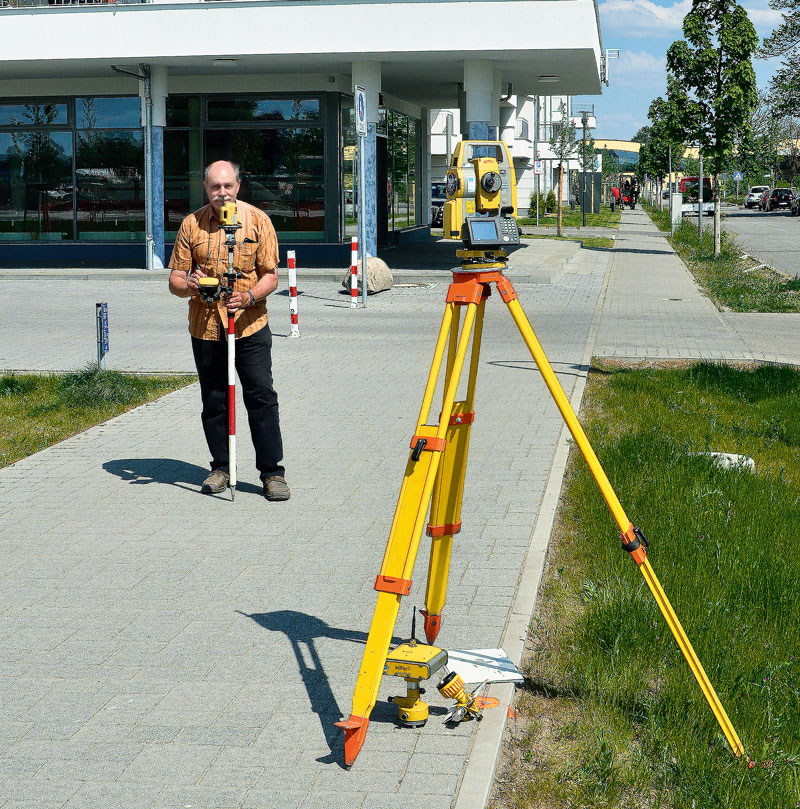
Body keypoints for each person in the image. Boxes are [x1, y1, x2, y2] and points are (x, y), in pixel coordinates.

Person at [168, 160, 290, 501]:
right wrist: (190, 285)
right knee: (215, 399)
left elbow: (271, 275)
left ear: (238, 186)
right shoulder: (192, 225)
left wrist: (249, 296)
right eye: (214, 187)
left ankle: (272, 473)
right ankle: (221, 467)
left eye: (228, 187)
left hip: (250, 325)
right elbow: (174, 281)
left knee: (261, 398)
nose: (222, 193)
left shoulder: (258, 221)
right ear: (205, 189)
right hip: (206, 328)